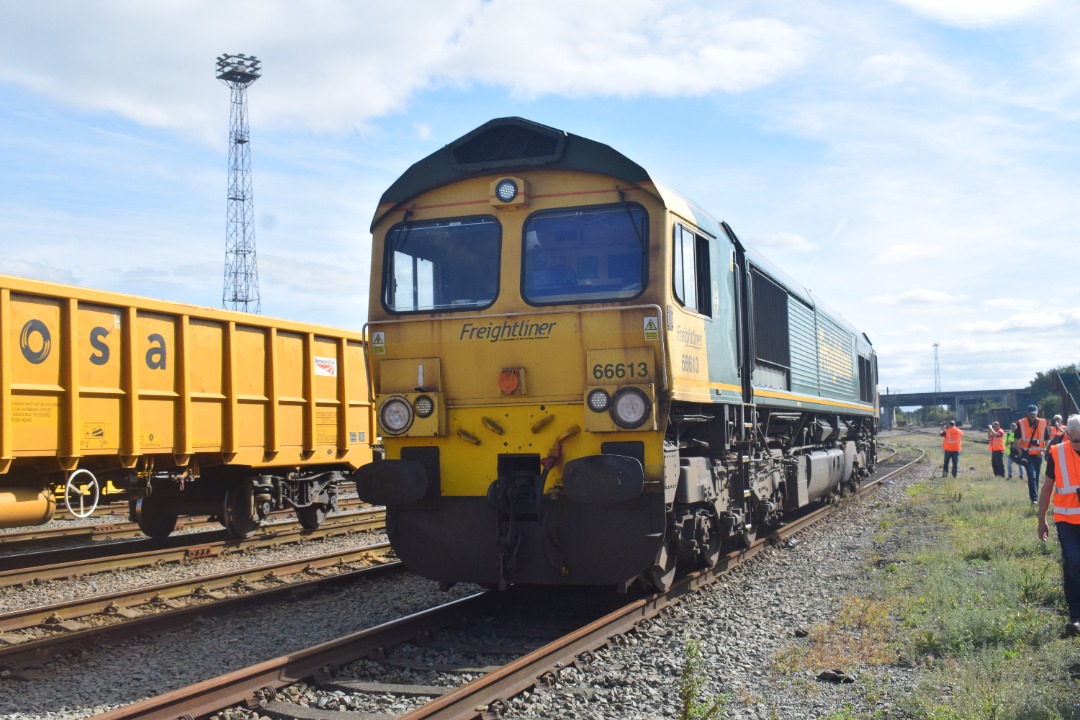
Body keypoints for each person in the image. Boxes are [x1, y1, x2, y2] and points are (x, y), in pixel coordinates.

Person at [1036, 414, 1080, 636]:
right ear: (1067, 435)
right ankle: (1075, 616)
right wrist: (1041, 518)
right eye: (1076, 441)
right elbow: (1047, 487)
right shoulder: (1057, 453)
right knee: (1073, 563)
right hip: (1067, 522)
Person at [1019, 404, 1050, 504]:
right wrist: (1020, 452)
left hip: (1038, 455)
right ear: (1027, 413)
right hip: (1027, 455)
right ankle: (1034, 499)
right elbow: (1015, 439)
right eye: (1030, 413)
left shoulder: (1042, 423)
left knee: (1036, 477)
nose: (1032, 415)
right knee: (1031, 476)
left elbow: (1047, 439)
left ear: (1037, 413)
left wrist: (1043, 450)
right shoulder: (1021, 423)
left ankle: (1035, 496)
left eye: (1034, 413)